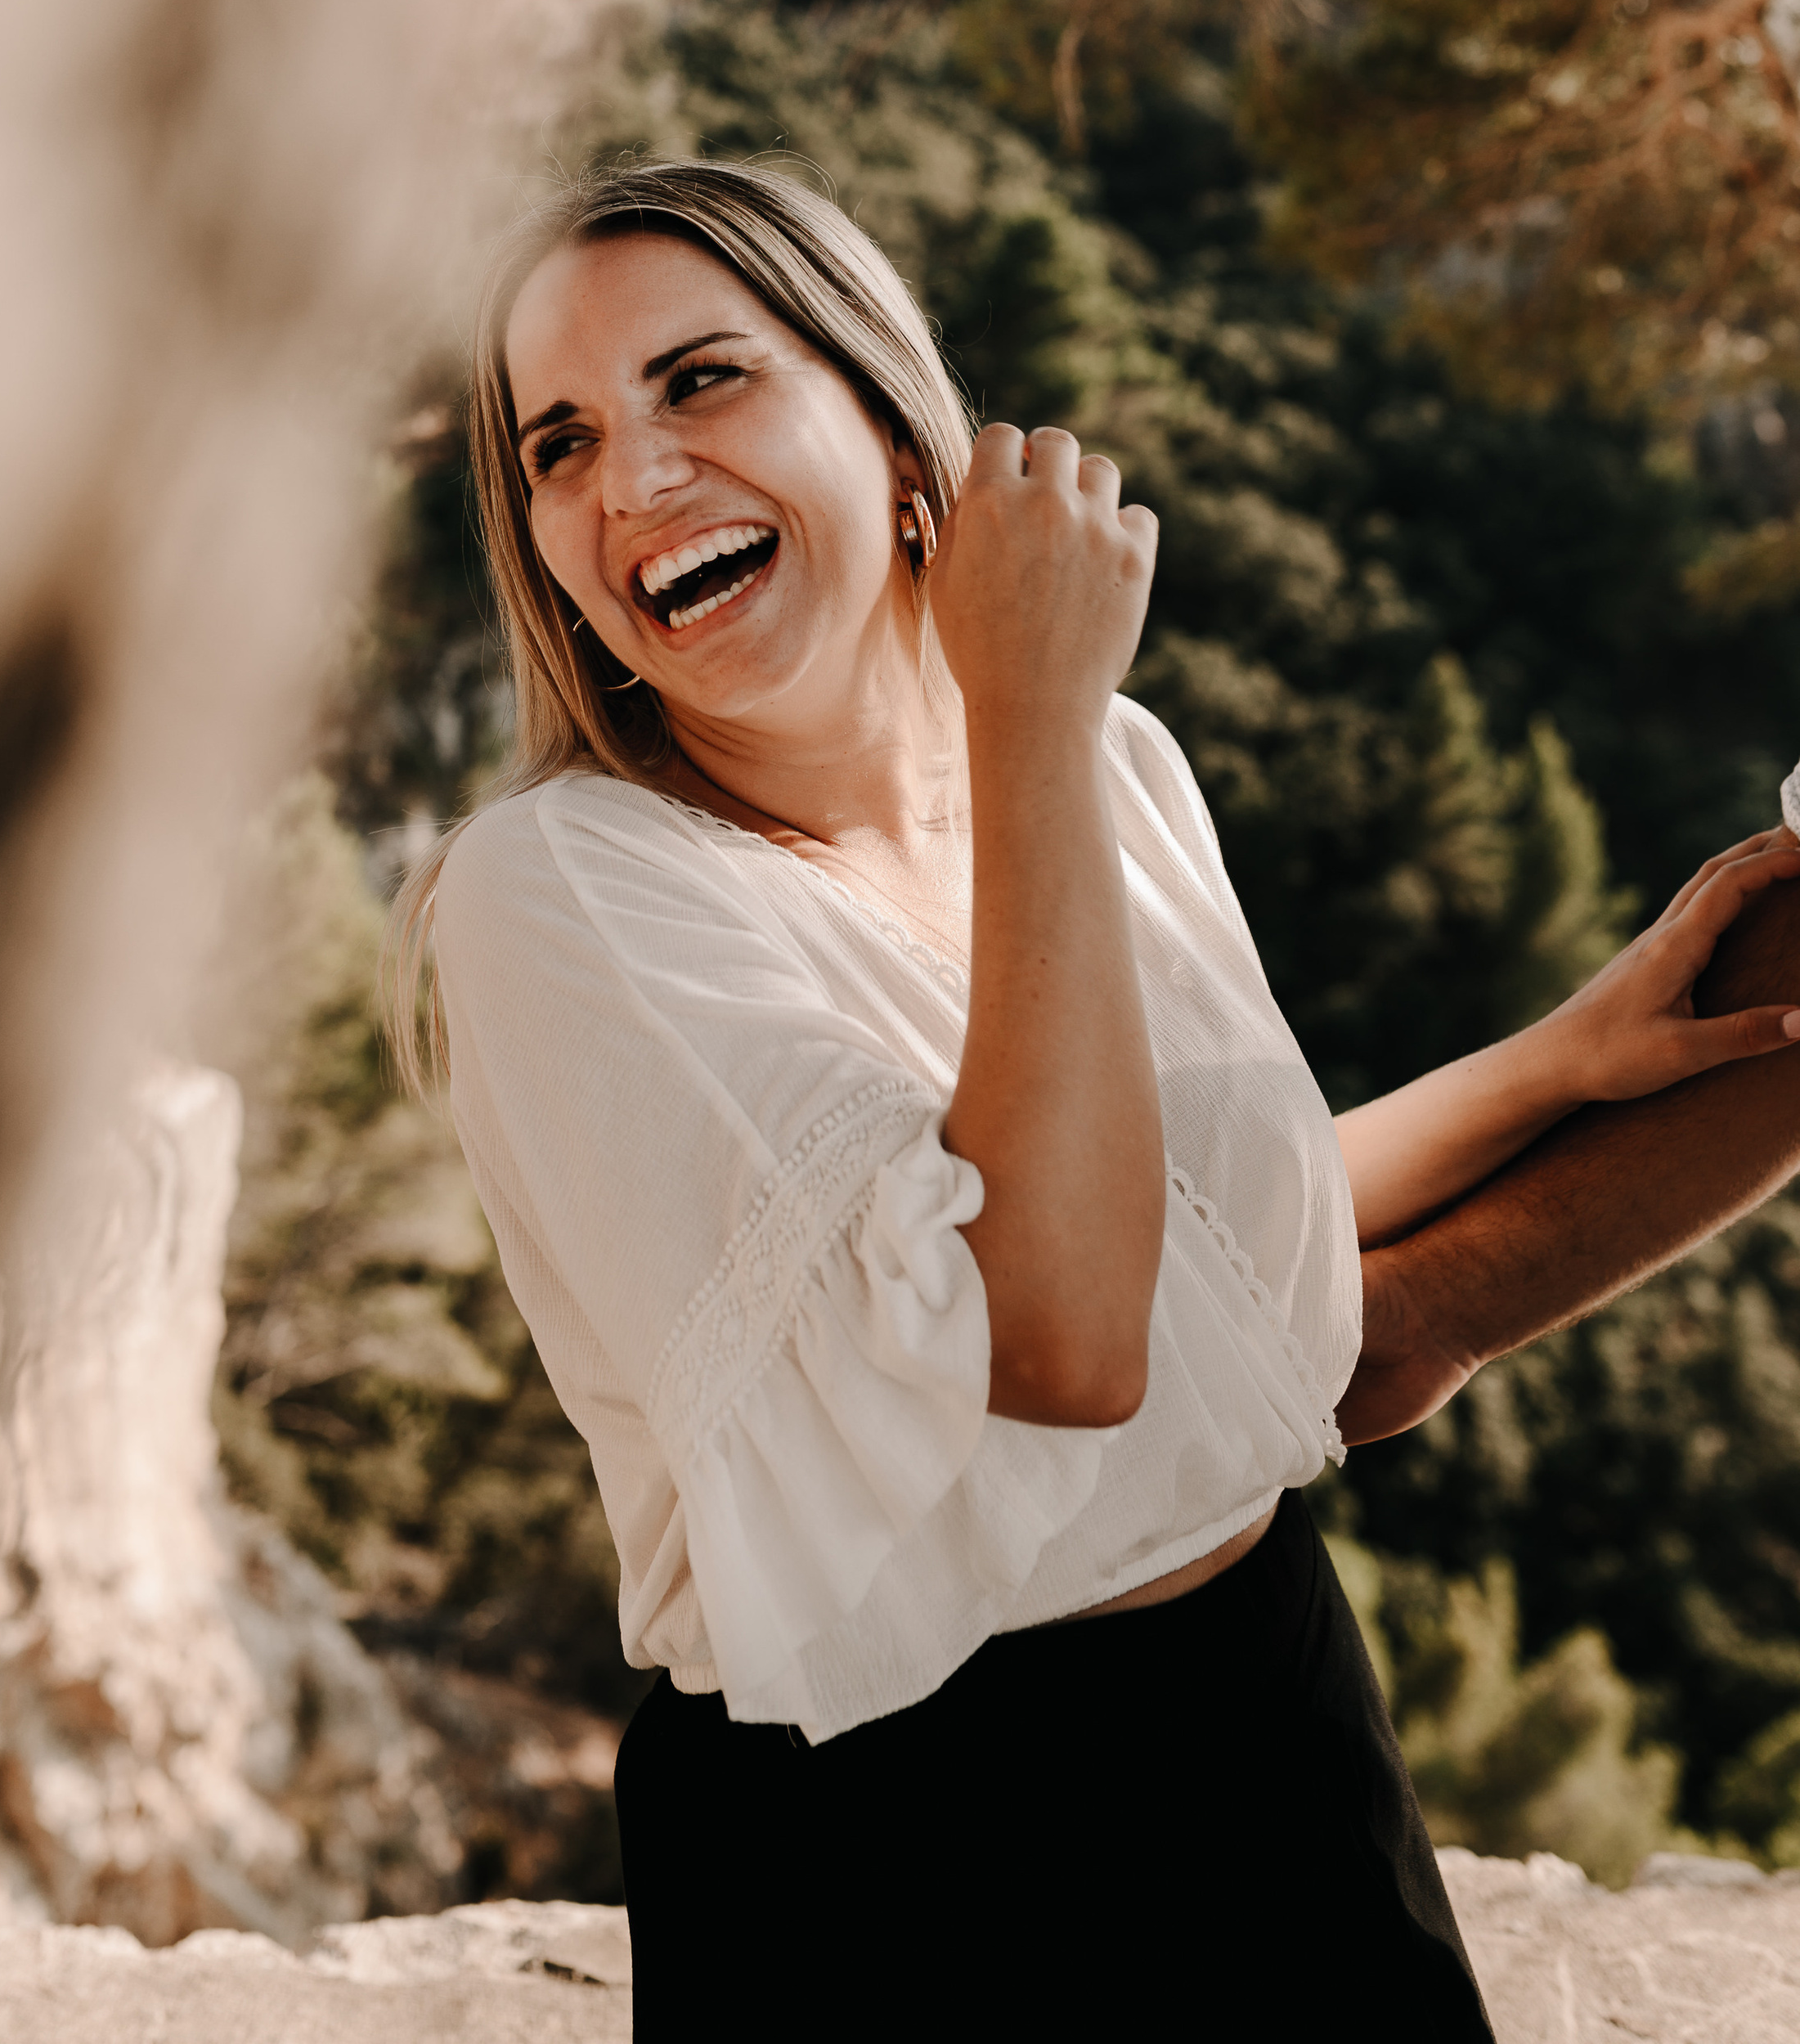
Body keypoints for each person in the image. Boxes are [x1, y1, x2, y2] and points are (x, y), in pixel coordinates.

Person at [393, 156, 1800, 2037]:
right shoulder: (564, 890)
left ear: (894, 433)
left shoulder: (1110, 770)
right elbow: (1057, 1333)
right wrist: (1032, 705)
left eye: (700, 380)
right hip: (903, 1857)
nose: (629, 476)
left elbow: (1193, 1247)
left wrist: (1555, 1060)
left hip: (1271, 1720)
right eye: (555, 443)